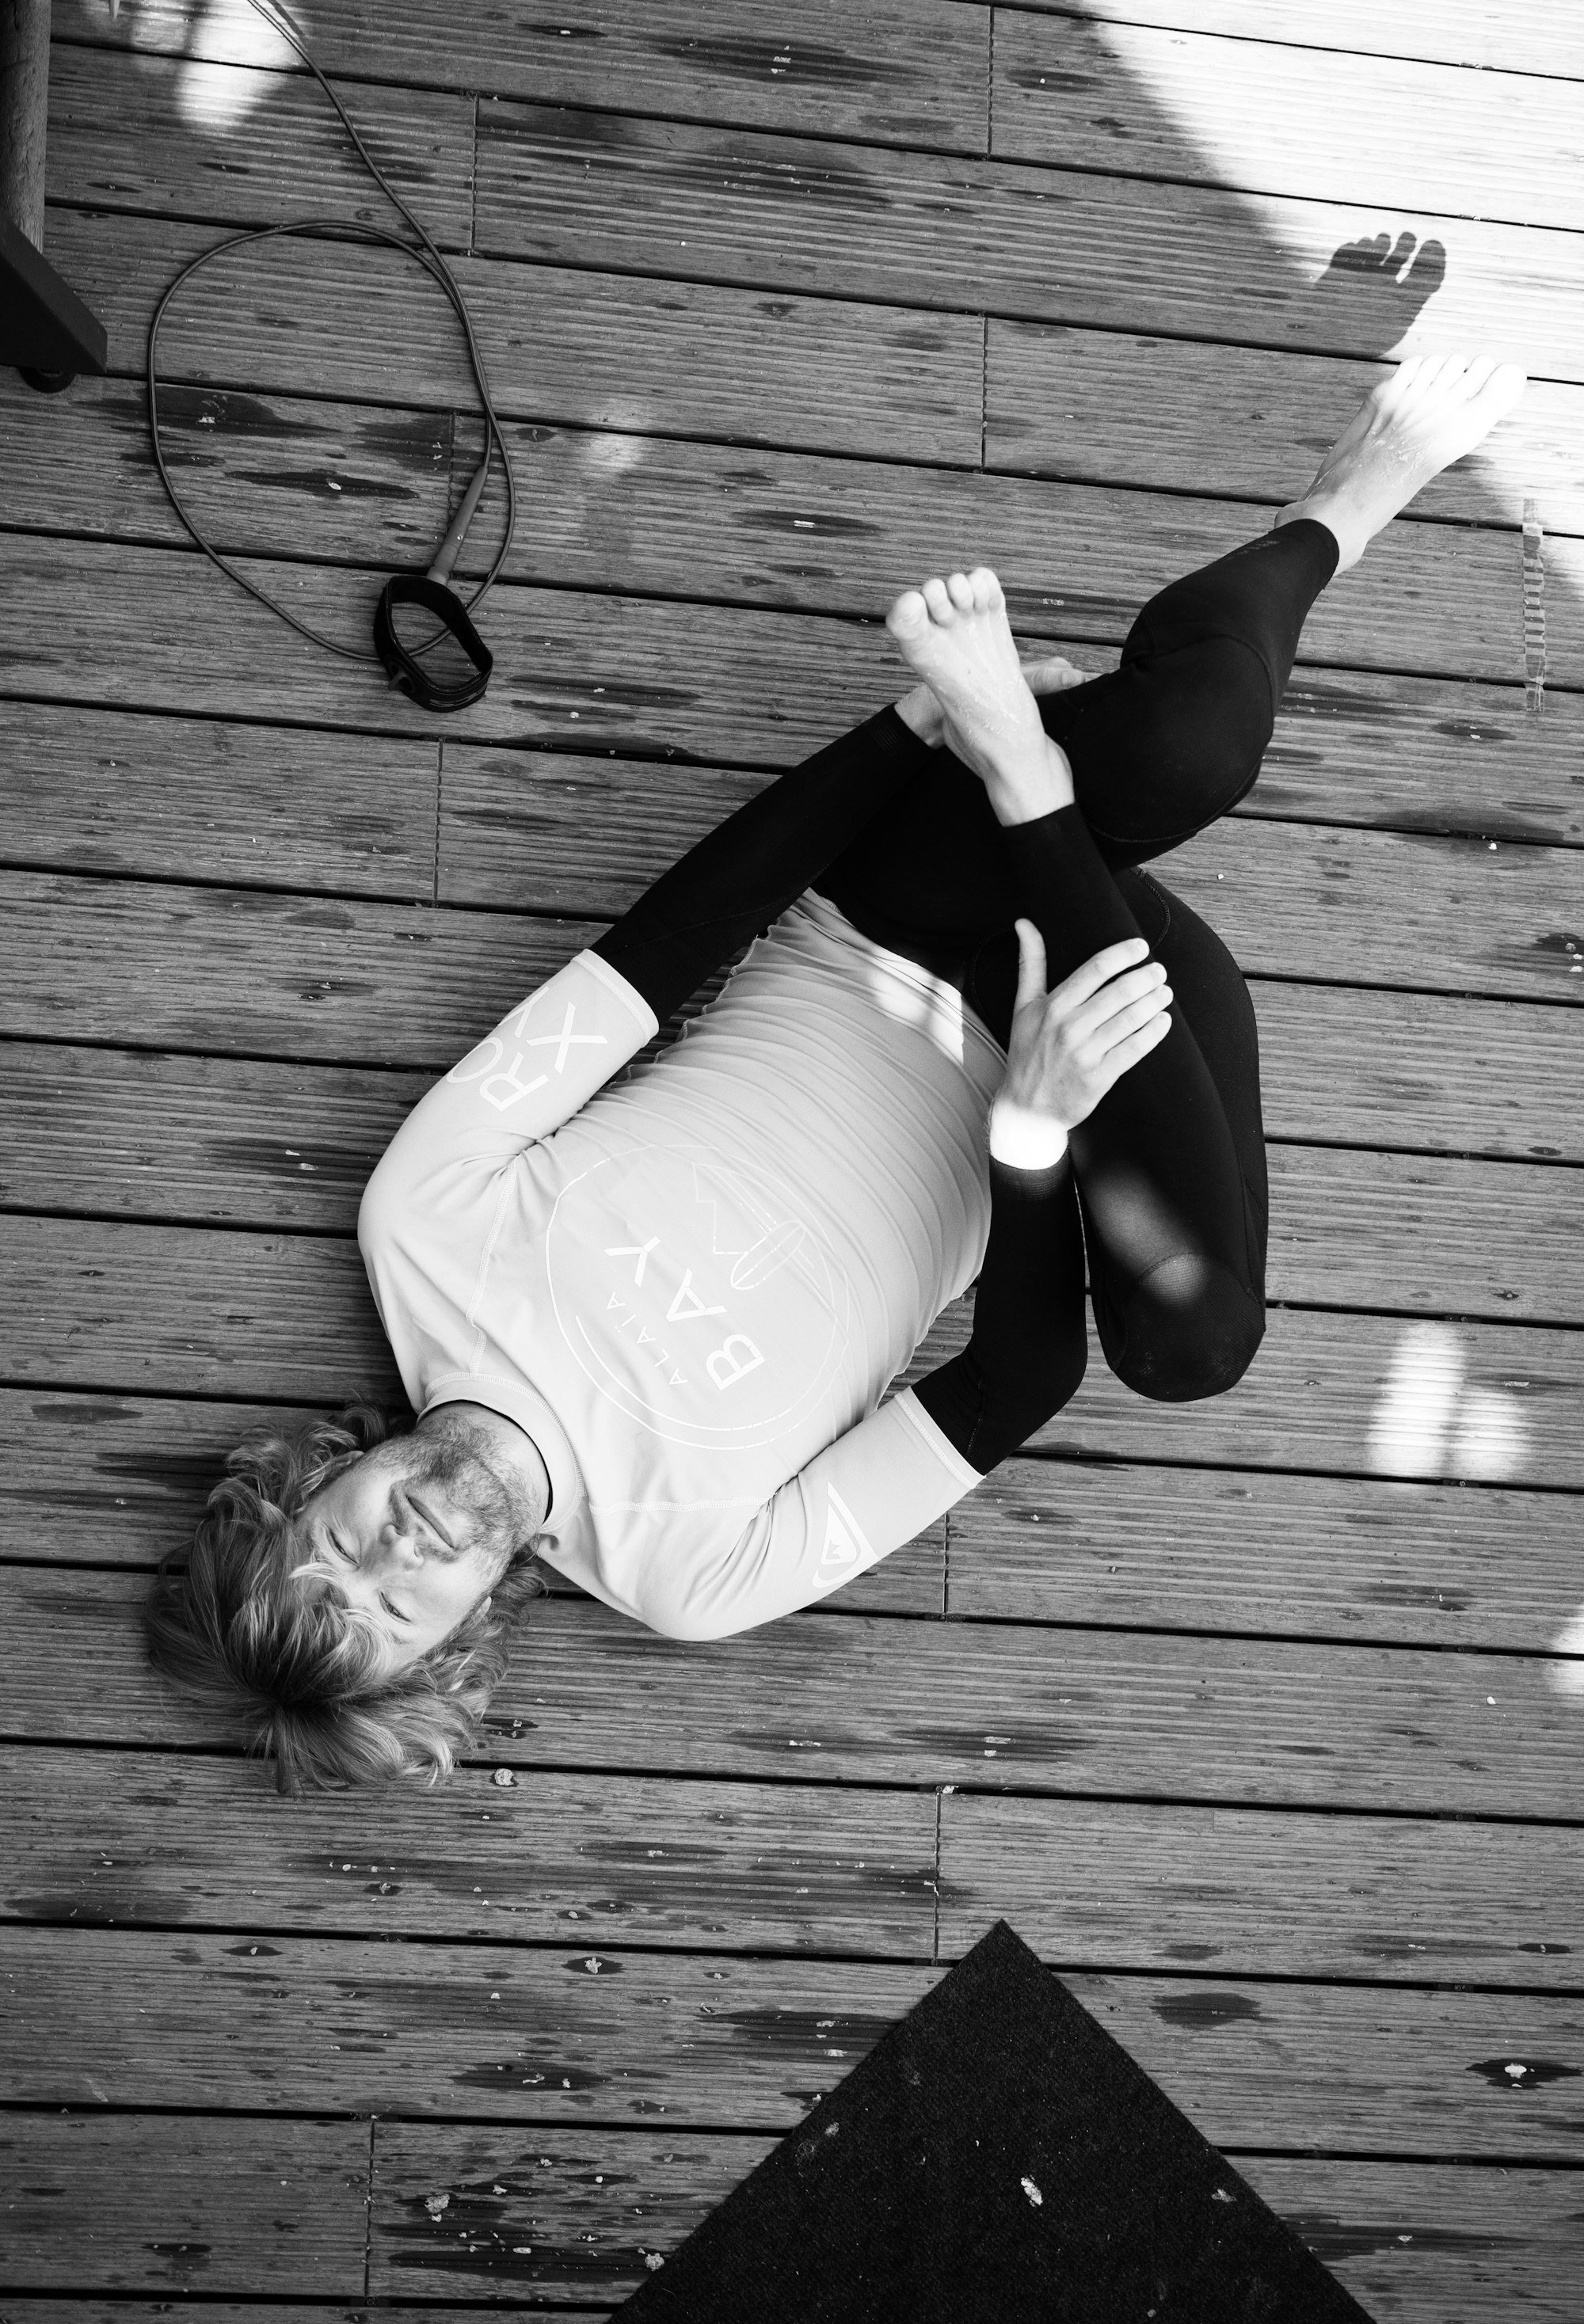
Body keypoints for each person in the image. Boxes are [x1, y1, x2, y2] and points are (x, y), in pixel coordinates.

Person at [147, 354, 1526, 1790]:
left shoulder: (420, 1230)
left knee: (1192, 741)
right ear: (452, 1645)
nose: (395, 1554)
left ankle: (1350, 496)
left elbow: (666, 949)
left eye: (333, 1552)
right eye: (391, 1614)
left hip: (897, 907)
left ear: (314, 1479)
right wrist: (1035, 1132)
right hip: (1081, 1061)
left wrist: (907, 729)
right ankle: (1034, 783)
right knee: (1191, 1347)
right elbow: (1019, 1374)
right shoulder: (692, 1576)